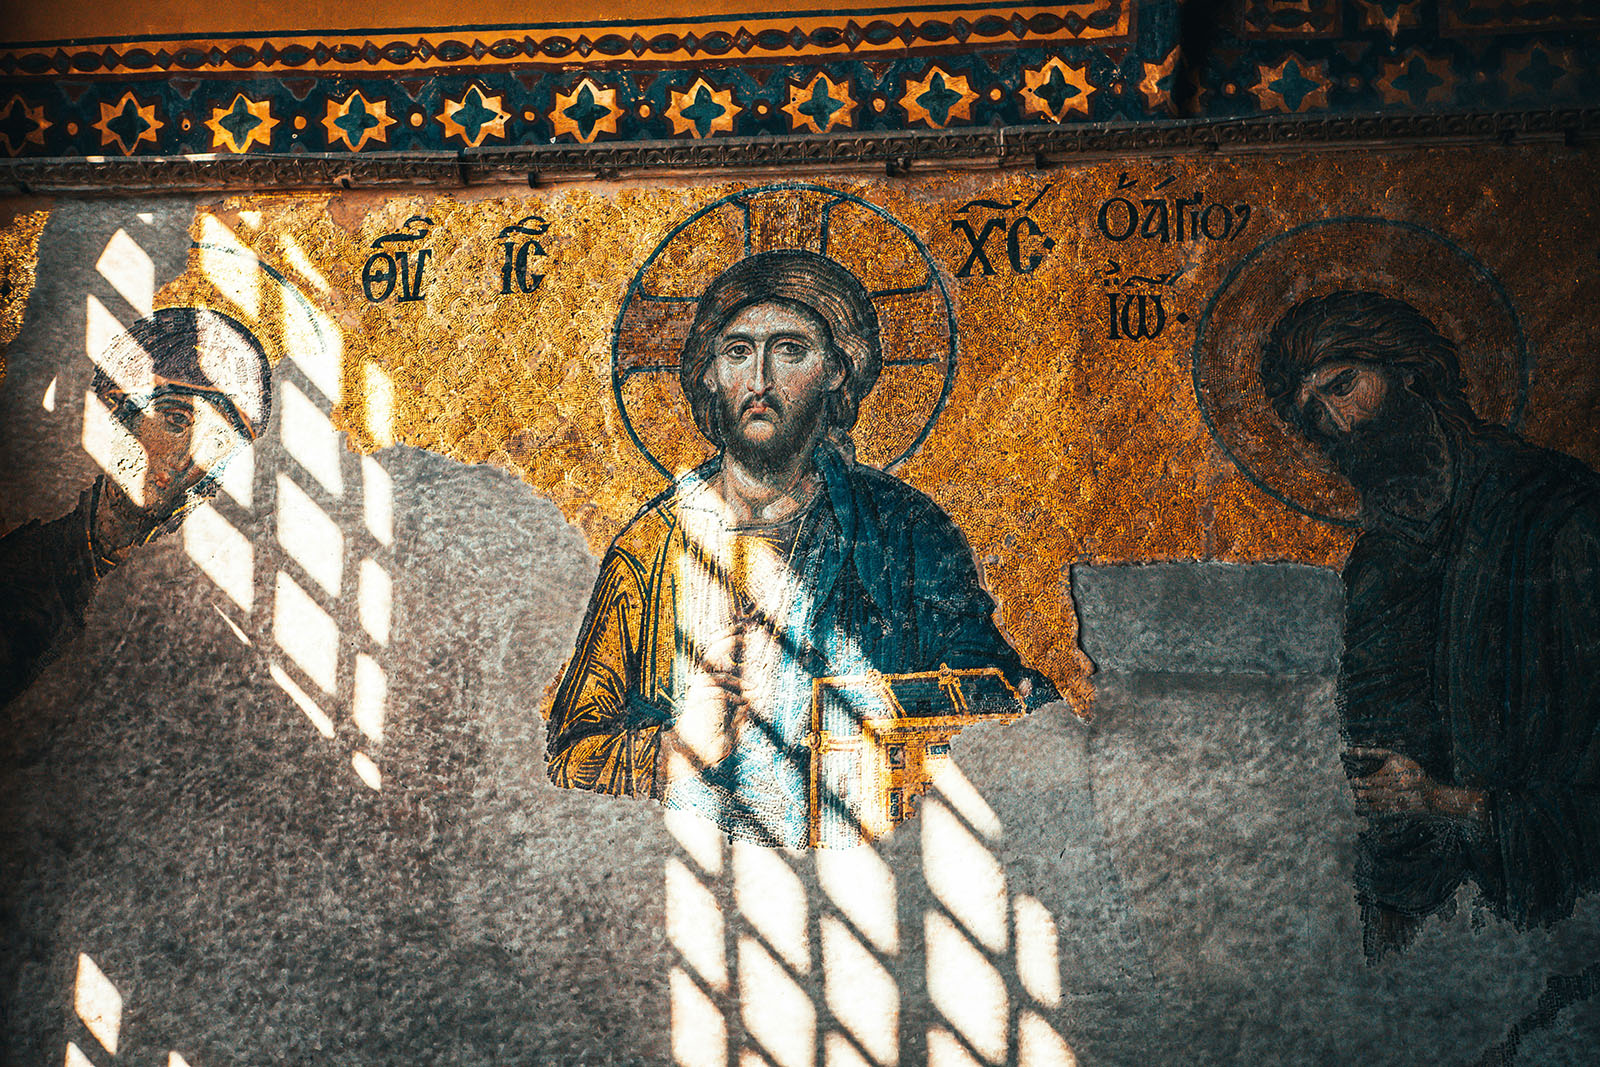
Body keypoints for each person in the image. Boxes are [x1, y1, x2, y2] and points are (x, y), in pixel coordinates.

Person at [546, 249, 1055, 847]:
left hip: (869, 859)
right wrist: (677, 749)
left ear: (837, 370)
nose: (759, 381)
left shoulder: (907, 532)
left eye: (789, 350)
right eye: (738, 352)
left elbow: (995, 697)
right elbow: (566, 756)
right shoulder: (651, 551)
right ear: (709, 374)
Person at [1258, 290, 1600, 957]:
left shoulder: (1559, 514)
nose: (1338, 425)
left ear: (1410, 370)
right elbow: (1372, 749)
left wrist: (1445, 802)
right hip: (1426, 925)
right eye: (1313, 413)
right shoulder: (1375, 569)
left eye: (1343, 386)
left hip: (1554, 924)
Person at [0, 307, 272, 708]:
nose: (183, 460)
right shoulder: (26, 565)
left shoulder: (169, 620)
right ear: (122, 411)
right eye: (176, 421)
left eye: (216, 444)